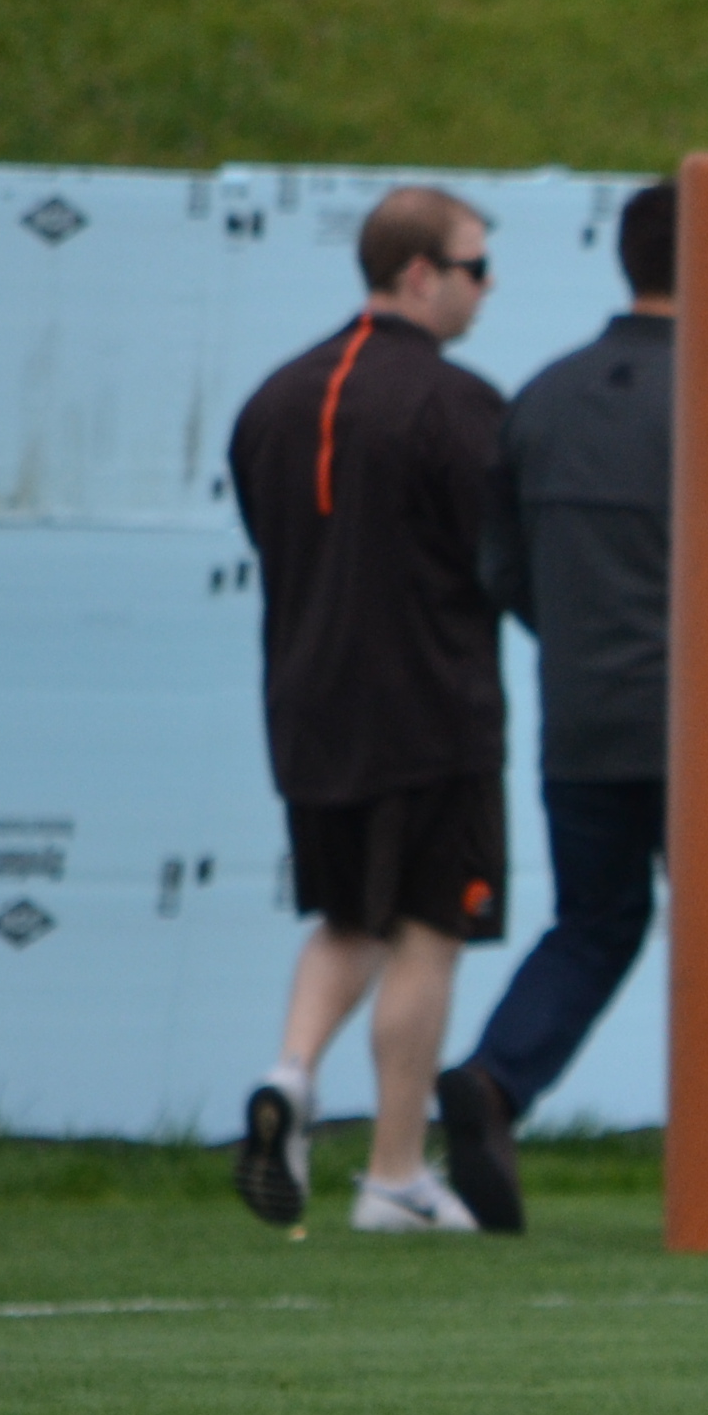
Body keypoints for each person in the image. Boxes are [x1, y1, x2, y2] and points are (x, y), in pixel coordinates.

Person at [226, 185, 512, 1236]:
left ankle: (291, 1075)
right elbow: (503, 561)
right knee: (430, 932)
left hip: (306, 707)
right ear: (420, 274)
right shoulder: (454, 403)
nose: (488, 289)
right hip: (433, 711)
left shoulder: (273, 398)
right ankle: (394, 1174)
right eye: (477, 268)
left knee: (349, 917)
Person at [431, 178, 681, 1237]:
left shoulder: (541, 395)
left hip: (579, 716)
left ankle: (494, 1079)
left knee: (595, 920)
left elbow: (501, 569)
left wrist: (585, 648)